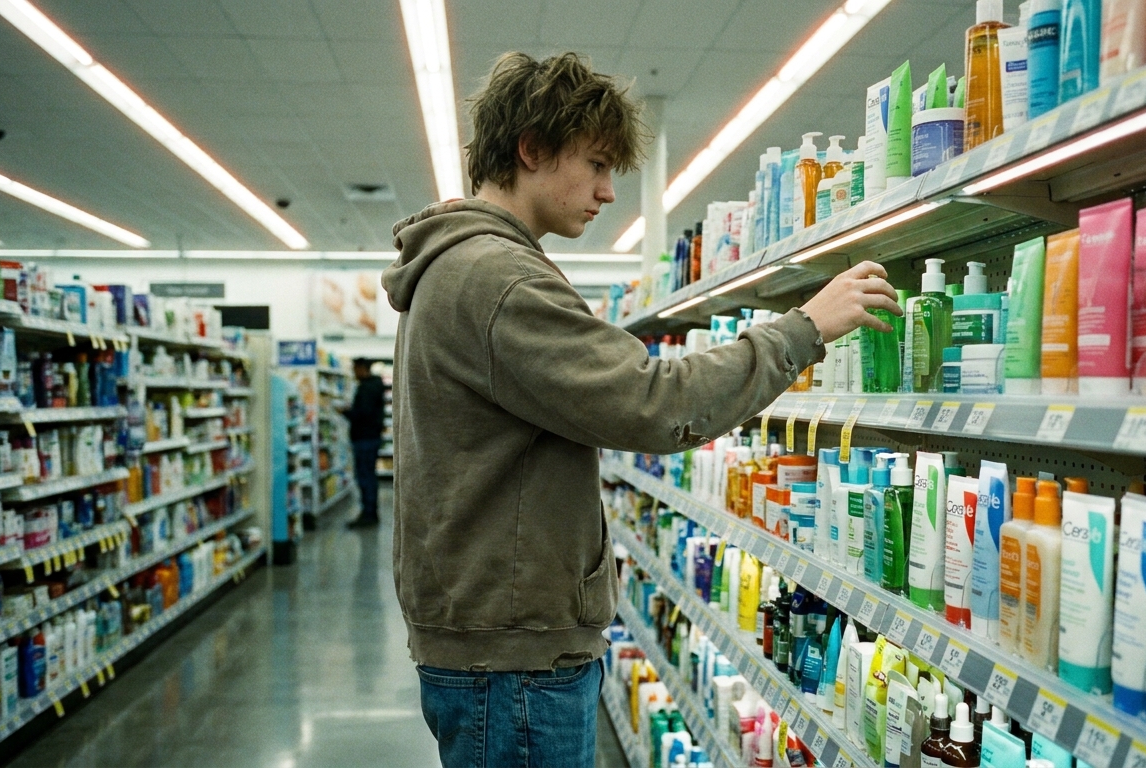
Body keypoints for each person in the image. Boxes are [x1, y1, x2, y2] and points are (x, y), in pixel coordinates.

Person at [382, 52, 901, 768]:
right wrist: (803, 329)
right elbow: (654, 404)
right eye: (595, 165)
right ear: (531, 149)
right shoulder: (497, 277)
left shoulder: (464, 267)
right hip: (511, 660)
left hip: (492, 640)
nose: (605, 192)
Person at [342, 357, 385, 528]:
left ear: (362, 368)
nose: (353, 373)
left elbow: (363, 414)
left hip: (364, 438)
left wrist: (347, 413)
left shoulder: (367, 388)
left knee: (365, 476)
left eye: (354, 369)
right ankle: (369, 511)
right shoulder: (375, 386)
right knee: (369, 475)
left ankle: (368, 513)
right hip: (371, 437)